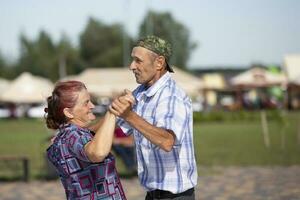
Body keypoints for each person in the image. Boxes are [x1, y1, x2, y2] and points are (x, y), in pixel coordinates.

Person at [109, 35, 198, 200]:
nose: (131, 66)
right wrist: (79, 128)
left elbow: (167, 141)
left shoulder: (172, 96)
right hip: (152, 195)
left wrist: (129, 115)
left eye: (138, 60)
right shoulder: (141, 92)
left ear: (159, 63)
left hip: (175, 197)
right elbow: (114, 121)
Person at [45, 80, 133, 200]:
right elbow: (98, 153)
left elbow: (95, 131)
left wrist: (117, 112)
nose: (92, 105)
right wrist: (113, 111)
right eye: (86, 103)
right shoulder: (72, 135)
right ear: (68, 112)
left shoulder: (67, 134)